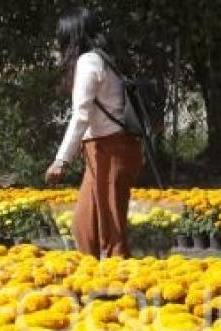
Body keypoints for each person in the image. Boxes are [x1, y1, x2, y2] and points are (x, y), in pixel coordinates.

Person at [45, 7, 143, 259]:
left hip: (111, 150)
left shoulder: (89, 61)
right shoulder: (105, 58)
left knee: (111, 234)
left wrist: (61, 159)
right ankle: (92, 281)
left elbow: (81, 113)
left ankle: (120, 290)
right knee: (84, 226)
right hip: (106, 149)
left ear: (72, 35)